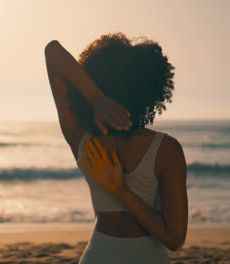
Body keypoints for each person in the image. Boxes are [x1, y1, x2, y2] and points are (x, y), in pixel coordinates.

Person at [44, 32, 188, 263]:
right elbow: (174, 239)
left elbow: (53, 53)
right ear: (150, 89)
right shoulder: (167, 149)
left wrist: (96, 98)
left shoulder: (78, 135)